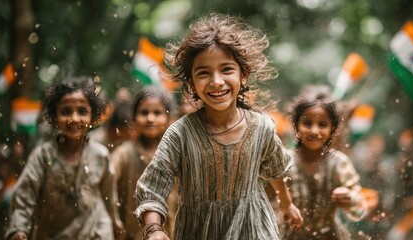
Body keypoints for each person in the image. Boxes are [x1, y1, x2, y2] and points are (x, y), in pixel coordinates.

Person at [134, 13, 303, 240]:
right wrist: (154, 230)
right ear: (192, 83)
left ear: (243, 76)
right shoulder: (180, 135)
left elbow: (277, 169)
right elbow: (152, 189)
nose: (216, 81)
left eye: (226, 69)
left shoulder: (262, 127)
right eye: (204, 72)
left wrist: (287, 204)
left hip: (255, 229)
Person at [5, 76, 120, 240]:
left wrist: (115, 222)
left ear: (93, 116)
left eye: (82, 111)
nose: (74, 118)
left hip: (95, 233)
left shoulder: (100, 155)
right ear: (54, 117)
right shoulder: (43, 156)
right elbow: (24, 196)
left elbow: (109, 195)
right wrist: (19, 229)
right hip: (52, 234)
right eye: (66, 111)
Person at [280, 92, 367, 240]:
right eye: (307, 123)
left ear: (332, 129)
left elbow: (360, 209)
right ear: (296, 126)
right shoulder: (283, 160)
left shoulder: (339, 163)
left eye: (322, 124)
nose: (314, 131)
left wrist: (350, 199)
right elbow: (263, 201)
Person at [110, 86, 178, 240]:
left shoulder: (176, 153)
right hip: (132, 235)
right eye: (144, 113)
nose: (150, 119)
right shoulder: (124, 154)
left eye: (157, 113)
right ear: (134, 118)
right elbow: (107, 181)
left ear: (169, 119)